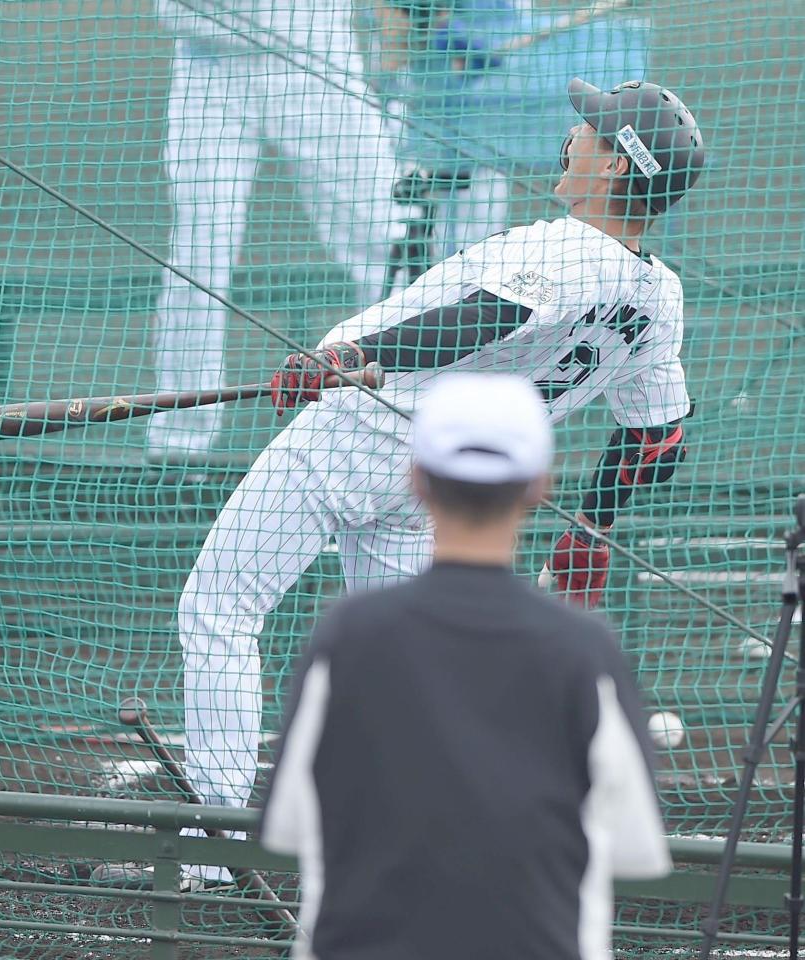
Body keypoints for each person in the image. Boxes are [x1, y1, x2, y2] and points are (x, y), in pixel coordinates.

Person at [98, 74, 703, 889]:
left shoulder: (562, 246)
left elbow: (485, 319)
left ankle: (212, 848)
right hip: (436, 480)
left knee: (221, 605)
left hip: (358, 437)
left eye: (592, 133)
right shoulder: (658, 297)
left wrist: (352, 357)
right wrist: (589, 530)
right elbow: (658, 436)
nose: (573, 139)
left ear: (620, 170)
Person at [260, 371, 671, 960]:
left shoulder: (350, 633)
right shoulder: (583, 646)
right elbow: (631, 845)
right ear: (537, 485)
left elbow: (291, 826)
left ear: (418, 479)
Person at [147, 0, 409, 458]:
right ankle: (178, 448)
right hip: (208, 61)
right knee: (198, 257)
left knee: (383, 238)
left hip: (313, 52)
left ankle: (404, 411)